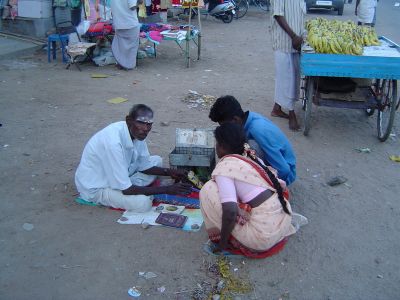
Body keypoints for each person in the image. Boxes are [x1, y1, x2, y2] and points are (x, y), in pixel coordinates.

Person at [200, 123, 296, 258]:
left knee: (208, 188)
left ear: (221, 146)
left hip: (262, 237)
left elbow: (230, 211)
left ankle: (229, 238)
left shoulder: (225, 167)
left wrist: (222, 245)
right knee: (233, 192)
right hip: (283, 219)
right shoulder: (251, 156)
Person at [75, 104, 192, 211]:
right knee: (143, 203)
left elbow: (144, 166)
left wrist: (172, 172)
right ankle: (139, 192)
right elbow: (127, 190)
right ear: (129, 120)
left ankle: (137, 188)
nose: (146, 128)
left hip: (122, 174)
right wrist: (168, 189)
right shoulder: (113, 143)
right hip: (98, 188)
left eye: (149, 124)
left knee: (157, 161)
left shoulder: (137, 133)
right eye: (141, 123)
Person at [209, 95, 296, 185]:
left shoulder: (258, 130)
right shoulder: (248, 118)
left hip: (285, 174)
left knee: (245, 147)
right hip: (274, 166)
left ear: (235, 119)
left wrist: (274, 187)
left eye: (224, 125)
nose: (225, 128)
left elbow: (284, 170)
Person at [270, 0, 306, 130]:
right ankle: (292, 113)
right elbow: (278, 15)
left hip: (296, 43)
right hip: (285, 42)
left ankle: (277, 108)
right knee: (288, 79)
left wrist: (301, 37)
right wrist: (294, 36)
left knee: (291, 77)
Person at [110, 0, 142, 70]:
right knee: (131, 47)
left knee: (121, 46)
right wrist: (140, 2)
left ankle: (120, 64)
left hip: (118, 23)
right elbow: (132, 6)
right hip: (130, 23)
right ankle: (129, 65)